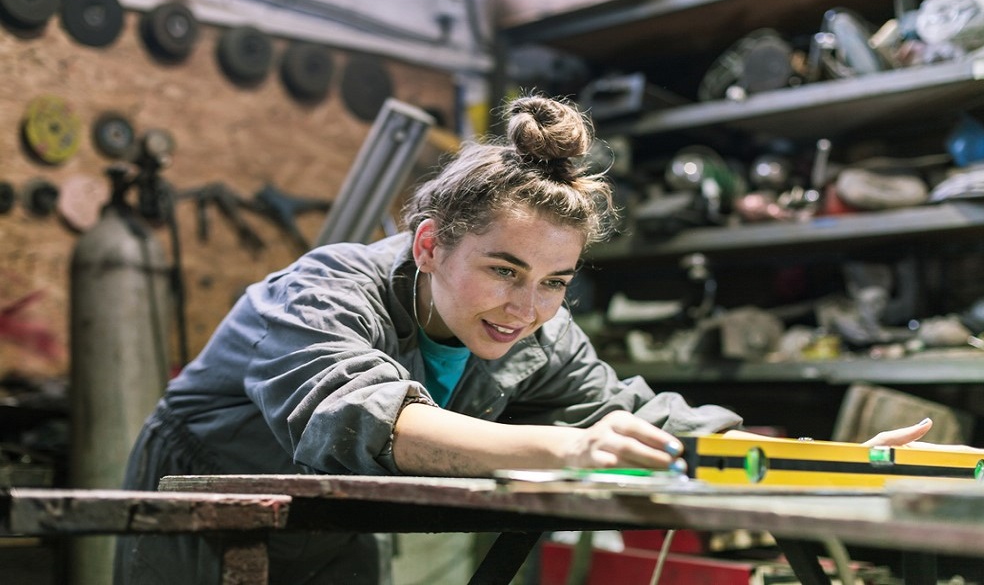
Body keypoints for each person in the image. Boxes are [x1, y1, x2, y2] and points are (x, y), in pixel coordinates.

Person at [114, 94, 936, 584]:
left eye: (554, 281)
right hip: (200, 515)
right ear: (429, 245)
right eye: (504, 270)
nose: (526, 308)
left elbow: (637, 417)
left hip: (333, 528)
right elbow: (359, 420)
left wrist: (825, 462)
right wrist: (571, 450)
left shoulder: (543, 331)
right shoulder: (322, 290)